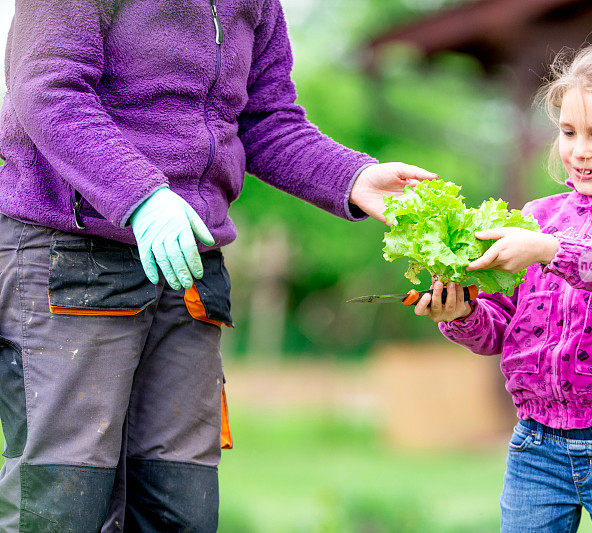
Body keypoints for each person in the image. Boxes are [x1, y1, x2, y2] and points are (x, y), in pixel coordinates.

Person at [0, 1, 436, 531]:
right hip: (73, 251)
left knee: (179, 502)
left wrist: (352, 177)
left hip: (188, 265)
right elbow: (47, 88)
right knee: (64, 500)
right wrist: (141, 197)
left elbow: (265, 120)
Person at [415, 38, 592, 532]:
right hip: (535, 445)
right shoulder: (538, 217)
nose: (579, 151)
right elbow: (501, 328)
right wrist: (460, 314)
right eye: (567, 132)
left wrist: (550, 250)